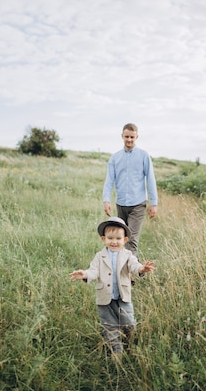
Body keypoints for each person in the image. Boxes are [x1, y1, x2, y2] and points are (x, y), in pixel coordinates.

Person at [69, 217, 156, 357]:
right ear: (103, 239)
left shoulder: (128, 255)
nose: (114, 242)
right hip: (105, 298)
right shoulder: (100, 256)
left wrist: (141, 269)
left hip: (123, 296)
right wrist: (84, 274)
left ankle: (130, 342)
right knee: (109, 326)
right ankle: (116, 351)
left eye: (118, 238)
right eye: (110, 238)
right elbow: (94, 270)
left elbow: (134, 265)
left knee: (129, 323)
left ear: (125, 240)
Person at [102, 123, 158, 257]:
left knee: (131, 239)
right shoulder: (115, 158)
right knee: (121, 238)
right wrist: (106, 200)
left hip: (138, 204)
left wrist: (154, 203)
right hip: (121, 204)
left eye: (132, 137)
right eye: (126, 136)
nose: (129, 140)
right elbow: (109, 180)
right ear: (122, 136)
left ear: (137, 137)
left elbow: (150, 179)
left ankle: (130, 275)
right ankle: (132, 267)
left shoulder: (144, 156)